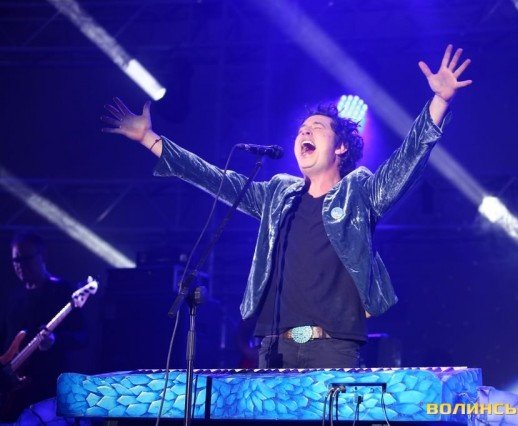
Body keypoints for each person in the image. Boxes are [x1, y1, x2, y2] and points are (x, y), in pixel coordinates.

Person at [101, 45, 472, 368]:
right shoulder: (278, 194)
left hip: (334, 348)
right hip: (274, 347)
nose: (304, 132)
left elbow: (407, 160)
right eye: (301, 129)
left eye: (317, 127)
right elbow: (214, 178)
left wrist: (439, 102)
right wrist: (150, 139)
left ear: (341, 147)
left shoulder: (359, 193)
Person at [0, 232, 87, 422]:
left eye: (27, 258)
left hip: (47, 389)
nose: (21, 265)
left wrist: (56, 341)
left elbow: (82, 336)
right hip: (14, 393)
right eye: (16, 260)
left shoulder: (63, 291)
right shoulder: (13, 297)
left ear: (43, 256)